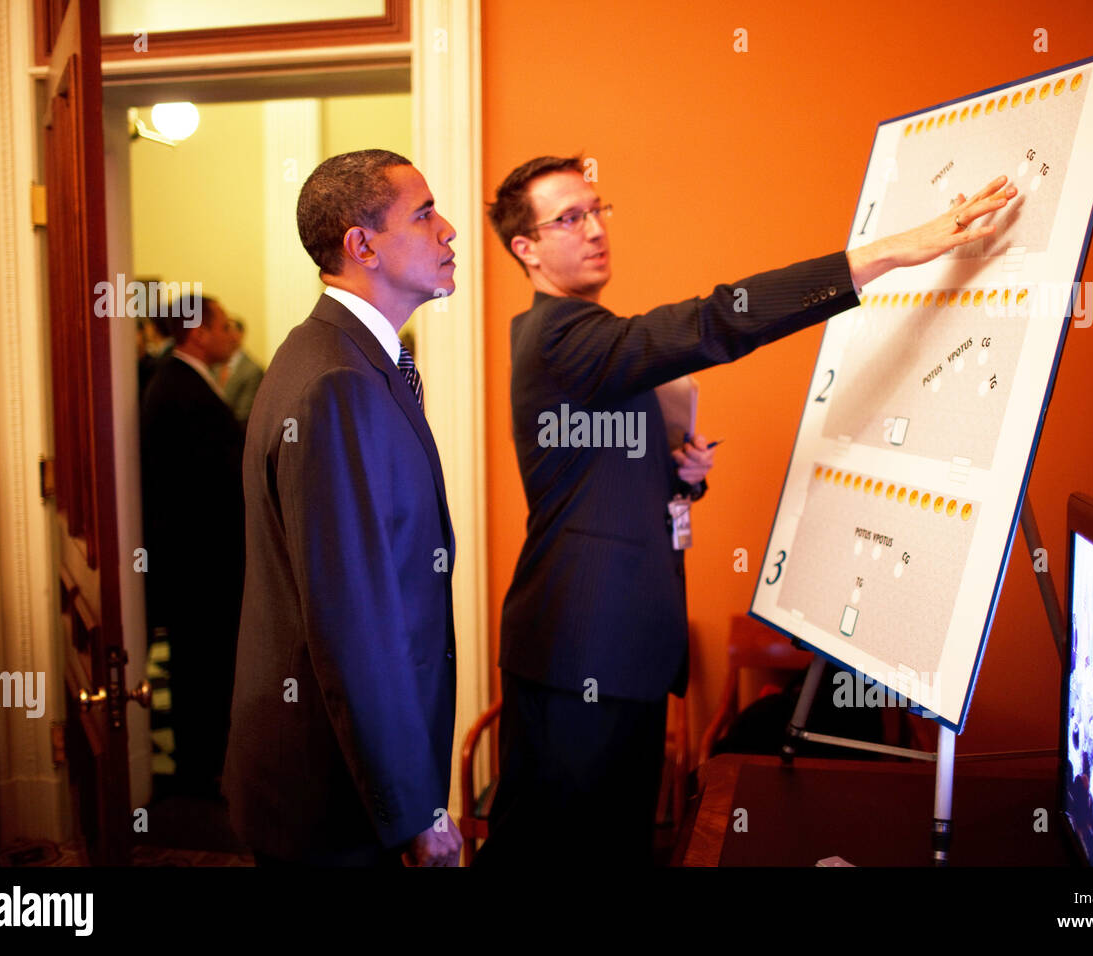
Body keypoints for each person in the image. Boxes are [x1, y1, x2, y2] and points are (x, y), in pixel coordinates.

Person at [477, 154, 1017, 865]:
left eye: (598, 208)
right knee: (552, 854)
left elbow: (594, 476)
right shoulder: (558, 336)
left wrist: (683, 479)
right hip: (581, 650)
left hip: (620, 651)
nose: (594, 228)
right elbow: (711, 322)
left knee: (613, 848)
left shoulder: (589, 345)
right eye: (569, 218)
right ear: (526, 247)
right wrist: (884, 253)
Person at [222, 149, 463, 867]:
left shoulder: (347, 359)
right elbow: (353, 624)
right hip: (330, 794)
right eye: (423, 214)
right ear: (362, 246)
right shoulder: (334, 382)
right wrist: (415, 813)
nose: (447, 229)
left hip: (338, 774)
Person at [140, 294, 244, 798]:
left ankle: (206, 763)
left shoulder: (186, 382)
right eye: (223, 326)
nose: (231, 334)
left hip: (200, 560)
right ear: (197, 333)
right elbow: (206, 480)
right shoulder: (177, 388)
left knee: (206, 663)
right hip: (197, 563)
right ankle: (201, 772)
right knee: (201, 666)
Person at [216, 317, 265, 424]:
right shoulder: (214, 364)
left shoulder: (253, 370)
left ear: (240, 335)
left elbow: (244, 414)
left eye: (228, 329)